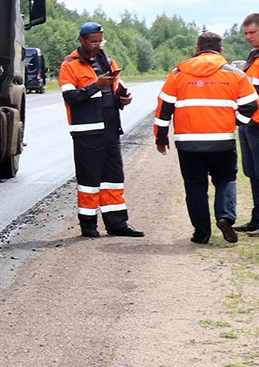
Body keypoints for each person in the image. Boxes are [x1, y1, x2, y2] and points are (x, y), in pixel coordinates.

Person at [154, 30, 258, 244]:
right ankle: (225, 217)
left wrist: (161, 137)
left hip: (188, 142)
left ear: (197, 49)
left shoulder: (177, 74)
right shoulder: (235, 74)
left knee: (195, 186)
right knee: (226, 179)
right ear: (221, 50)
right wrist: (236, 121)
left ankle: (201, 234)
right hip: (222, 140)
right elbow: (251, 104)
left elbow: (164, 108)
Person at [58, 22, 144, 238]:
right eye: (94, 41)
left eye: (100, 41)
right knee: (88, 182)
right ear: (82, 40)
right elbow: (71, 98)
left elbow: (115, 90)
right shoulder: (69, 65)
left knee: (114, 180)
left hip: (110, 130)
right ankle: (88, 227)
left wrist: (123, 98)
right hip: (87, 134)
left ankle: (117, 225)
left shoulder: (107, 61)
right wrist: (95, 85)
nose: (97, 45)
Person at [239, 13, 259, 232]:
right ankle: (256, 220)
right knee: (252, 173)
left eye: (252, 33)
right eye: (245, 33)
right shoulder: (253, 55)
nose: (247, 37)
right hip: (249, 124)